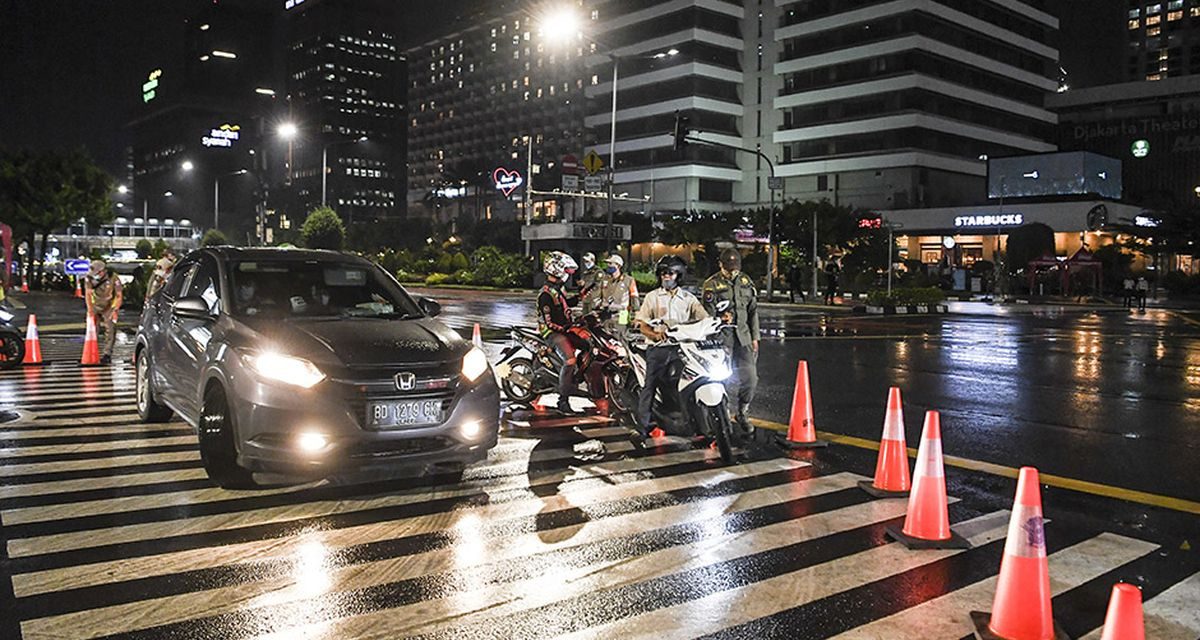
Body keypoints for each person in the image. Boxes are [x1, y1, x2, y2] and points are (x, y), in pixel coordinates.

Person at [634, 255, 708, 444]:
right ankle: (643, 426)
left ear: (679, 275)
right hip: (658, 348)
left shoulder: (689, 299)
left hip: (682, 348)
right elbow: (642, 323)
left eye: (671, 273)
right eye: (663, 273)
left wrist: (716, 324)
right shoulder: (652, 297)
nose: (666, 277)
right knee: (649, 385)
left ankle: (695, 424)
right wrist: (653, 335)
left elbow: (704, 318)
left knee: (690, 382)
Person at [702, 249, 760, 434]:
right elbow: (706, 315)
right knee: (721, 379)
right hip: (722, 340)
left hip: (743, 338)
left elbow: (752, 312)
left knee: (751, 378)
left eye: (734, 269)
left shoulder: (745, 282)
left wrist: (755, 337)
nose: (731, 272)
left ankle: (742, 412)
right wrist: (719, 318)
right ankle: (723, 415)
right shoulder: (712, 284)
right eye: (728, 269)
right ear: (721, 265)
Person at [537, 251, 596, 415]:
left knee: (588, 346)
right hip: (552, 333)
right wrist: (565, 328)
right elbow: (549, 322)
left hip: (566, 329)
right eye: (566, 271)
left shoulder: (557, 290)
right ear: (556, 269)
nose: (568, 275)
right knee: (569, 360)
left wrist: (580, 296)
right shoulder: (546, 294)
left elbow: (565, 304)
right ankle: (562, 401)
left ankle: (574, 379)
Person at [84, 260, 123, 365]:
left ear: (102, 272)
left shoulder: (113, 278)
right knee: (92, 330)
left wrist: (115, 310)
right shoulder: (88, 278)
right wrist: (90, 310)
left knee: (110, 329)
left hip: (109, 305)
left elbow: (119, 295)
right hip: (95, 305)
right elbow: (88, 294)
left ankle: (107, 354)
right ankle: (92, 352)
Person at [591, 254, 639, 337]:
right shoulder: (604, 280)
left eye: (610, 264)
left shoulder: (628, 280)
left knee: (621, 338)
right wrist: (597, 307)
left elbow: (634, 297)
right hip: (606, 314)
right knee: (605, 338)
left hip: (622, 314)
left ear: (618, 265)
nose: (608, 266)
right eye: (608, 264)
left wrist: (636, 316)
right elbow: (597, 296)